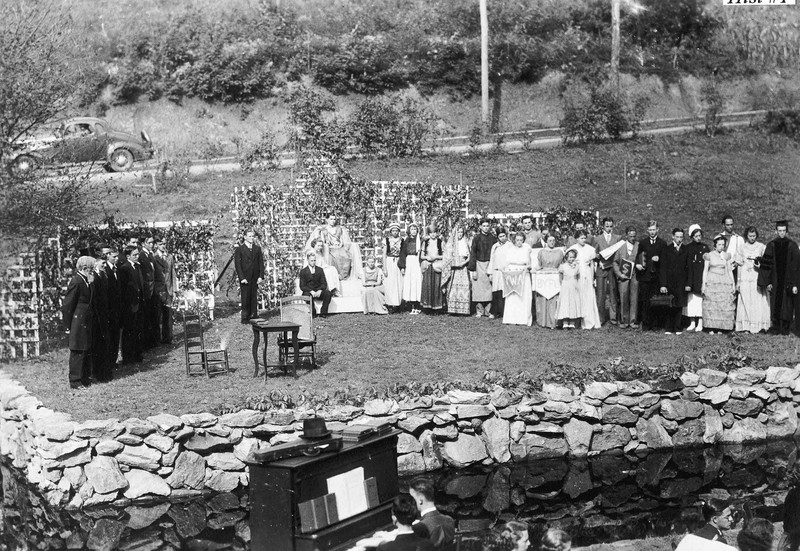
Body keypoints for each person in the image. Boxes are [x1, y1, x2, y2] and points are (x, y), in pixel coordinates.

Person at [758, 220, 800, 335]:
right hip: (775, 280)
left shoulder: (792, 245)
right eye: (779, 231)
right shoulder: (771, 245)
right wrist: (767, 282)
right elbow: (767, 264)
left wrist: (794, 283)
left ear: (787, 231)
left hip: (787, 281)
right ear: (776, 231)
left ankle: (785, 327)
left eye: (784, 231)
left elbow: (796, 266)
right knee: (776, 301)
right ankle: (776, 326)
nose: (781, 233)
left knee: (787, 303)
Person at [62, 256, 96, 390]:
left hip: (85, 320)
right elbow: (68, 305)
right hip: (78, 320)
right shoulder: (76, 281)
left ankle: (84, 378)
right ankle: (75, 381)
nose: (92, 271)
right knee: (77, 350)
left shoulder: (86, 280)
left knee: (85, 348)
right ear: (84, 268)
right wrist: (68, 325)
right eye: (90, 268)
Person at [735, 227, 771, 333]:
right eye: (750, 236)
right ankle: (746, 326)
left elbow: (766, 263)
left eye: (754, 236)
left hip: (756, 276)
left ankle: (758, 326)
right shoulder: (741, 247)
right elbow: (739, 265)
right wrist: (738, 281)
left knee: (757, 299)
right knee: (746, 299)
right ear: (746, 236)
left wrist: (760, 264)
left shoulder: (761, 247)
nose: (752, 238)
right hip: (745, 276)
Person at [307, 213, 361, 281]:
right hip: (329, 249)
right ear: (327, 220)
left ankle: (343, 275)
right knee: (335, 256)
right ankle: (336, 275)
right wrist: (329, 245)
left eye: (334, 219)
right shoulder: (324, 229)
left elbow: (341, 240)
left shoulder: (339, 229)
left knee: (346, 256)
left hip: (339, 247)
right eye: (331, 219)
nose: (333, 221)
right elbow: (323, 241)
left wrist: (340, 244)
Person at [408, 477, 455, 551]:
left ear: (420, 500)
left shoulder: (419, 527)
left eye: (411, 498)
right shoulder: (450, 520)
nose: (410, 502)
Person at [590, 217, 621, 325]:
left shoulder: (617, 238)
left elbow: (619, 254)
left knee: (613, 292)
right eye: (607, 226)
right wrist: (597, 256)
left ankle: (613, 318)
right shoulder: (597, 238)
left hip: (612, 268)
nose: (609, 228)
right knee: (600, 294)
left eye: (610, 226)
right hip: (601, 267)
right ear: (603, 226)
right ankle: (600, 318)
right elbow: (593, 254)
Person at [567, 230, 601, 329]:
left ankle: (588, 321)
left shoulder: (590, 249)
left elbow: (592, 265)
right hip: (576, 274)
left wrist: (592, 278)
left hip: (586, 275)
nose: (583, 240)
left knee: (587, 296)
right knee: (577, 296)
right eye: (581, 238)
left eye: (584, 238)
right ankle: (576, 321)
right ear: (576, 239)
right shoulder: (572, 249)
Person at [637, 220, 667, 331]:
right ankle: (646, 323)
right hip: (645, 277)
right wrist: (638, 264)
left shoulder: (662, 243)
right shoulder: (643, 242)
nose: (652, 232)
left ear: (657, 230)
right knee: (645, 301)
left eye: (654, 230)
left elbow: (665, 263)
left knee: (656, 301)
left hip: (656, 277)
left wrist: (659, 260)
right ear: (647, 230)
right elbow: (638, 257)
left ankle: (655, 324)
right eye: (650, 230)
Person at [703, 235, 736, 333]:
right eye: (719, 244)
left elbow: (730, 271)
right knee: (712, 304)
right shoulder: (709, 255)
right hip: (712, 279)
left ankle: (721, 327)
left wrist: (733, 284)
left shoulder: (726, 256)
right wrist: (704, 284)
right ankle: (711, 327)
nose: (721, 246)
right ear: (715, 245)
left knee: (722, 304)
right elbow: (705, 271)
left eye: (723, 244)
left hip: (723, 279)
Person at [659, 228, 689, 334]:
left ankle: (677, 327)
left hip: (681, 282)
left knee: (679, 305)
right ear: (672, 236)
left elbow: (688, 267)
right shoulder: (666, 249)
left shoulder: (686, 249)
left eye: (681, 237)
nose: (679, 239)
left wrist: (688, 283)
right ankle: (668, 327)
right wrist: (663, 284)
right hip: (669, 282)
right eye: (677, 237)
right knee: (669, 304)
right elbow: (662, 268)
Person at [118, 246, 143, 364]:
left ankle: (137, 354)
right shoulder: (124, 269)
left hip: (137, 304)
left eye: (138, 254)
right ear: (128, 257)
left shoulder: (137, 267)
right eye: (134, 255)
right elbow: (123, 290)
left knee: (137, 330)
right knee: (128, 332)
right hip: (129, 305)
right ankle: (128, 357)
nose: (137, 257)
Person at [502, 233, 533, 326]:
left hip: (523, 274)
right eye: (517, 240)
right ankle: (511, 318)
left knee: (524, 296)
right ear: (514, 240)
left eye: (521, 240)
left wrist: (527, 267)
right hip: (512, 275)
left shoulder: (527, 249)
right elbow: (506, 263)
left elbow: (530, 263)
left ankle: (523, 319)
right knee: (513, 295)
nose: (519, 242)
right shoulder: (510, 250)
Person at [234, 229, 264, 323]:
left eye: (253, 236)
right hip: (245, 277)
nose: (252, 238)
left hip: (254, 277)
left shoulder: (257, 249)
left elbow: (260, 263)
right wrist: (242, 278)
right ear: (245, 237)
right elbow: (238, 265)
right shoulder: (240, 249)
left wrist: (260, 276)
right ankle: (245, 317)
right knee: (245, 297)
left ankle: (253, 315)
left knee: (253, 296)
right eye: (250, 236)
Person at [613, 227, 640, 329]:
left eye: (634, 236)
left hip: (635, 275)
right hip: (623, 275)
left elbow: (642, 258)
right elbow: (615, 262)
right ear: (626, 236)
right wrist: (619, 274)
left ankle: (633, 321)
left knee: (634, 297)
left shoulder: (638, 245)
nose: (633, 238)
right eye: (630, 236)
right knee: (623, 296)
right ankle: (624, 321)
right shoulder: (621, 247)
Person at [535, 235, 564, 329]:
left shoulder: (559, 252)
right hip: (543, 278)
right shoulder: (541, 252)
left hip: (555, 276)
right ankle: (542, 321)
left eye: (554, 240)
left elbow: (561, 264)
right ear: (546, 241)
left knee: (554, 299)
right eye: (550, 240)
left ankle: (553, 321)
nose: (552, 242)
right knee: (543, 298)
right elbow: (539, 264)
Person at [684, 224, 710, 332]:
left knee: (700, 301)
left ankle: (700, 321)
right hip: (691, 276)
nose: (698, 238)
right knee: (692, 301)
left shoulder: (705, 248)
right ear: (692, 236)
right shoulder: (688, 248)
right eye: (696, 236)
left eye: (700, 235)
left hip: (701, 276)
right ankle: (692, 322)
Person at [441, 225, 471, 316]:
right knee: (453, 287)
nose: (460, 234)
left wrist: (464, 263)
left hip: (463, 267)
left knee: (464, 286)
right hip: (453, 269)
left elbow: (469, 256)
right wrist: (453, 263)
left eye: (462, 232)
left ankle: (463, 309)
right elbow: (447, 257)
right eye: (458, 232)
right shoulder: (451, 244)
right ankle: (452, 309)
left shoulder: (465, 243)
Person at [469, 220, 497, 318]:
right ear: (480, 227)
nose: (485, 227)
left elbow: (495, 254)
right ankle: (479, 311)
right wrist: (473, 270)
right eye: (483, 226)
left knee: (489, 288)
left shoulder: (493, 239)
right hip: (478, 264)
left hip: (489, 264)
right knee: (479, 289)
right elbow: (472, 253)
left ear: (489, 227)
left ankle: (488, 310)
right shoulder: (476, 238)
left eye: (487, 226)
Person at [90, 257, 111, 382]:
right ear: (96, 263)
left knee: (104, 344)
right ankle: (97, 372)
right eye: (103, 263)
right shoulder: (93, 277)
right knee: (97, 344)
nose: (105, 265)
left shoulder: (104, 275)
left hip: (104, 314)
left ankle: (104, 371)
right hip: (96, 315)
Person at [153, 237, 177, 344]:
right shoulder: (153, 257)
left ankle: (168, 338)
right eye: (160, 243)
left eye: (164, 243)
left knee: (168, 315)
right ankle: (157, 339)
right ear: (156, 245)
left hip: (168, 290)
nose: (163, 245)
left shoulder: (169, 257)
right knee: (157, 315)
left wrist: (175, 290)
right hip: (158, 290)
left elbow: (173, 273)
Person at [101, 245, 121, 367]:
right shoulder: (105, 270)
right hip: (109, 309)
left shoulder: (115, 269)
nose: (116, 259)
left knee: (115, 336)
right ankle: (108, 361)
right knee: (109, 336)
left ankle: (113, 360)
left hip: (116, 309)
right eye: (114, 256)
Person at [139, 235, 159, 349]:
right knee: (146, 318)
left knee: (152, 316)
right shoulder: (141, 256)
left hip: (152, 290)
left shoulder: (150, 256)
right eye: (149, 242)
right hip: (147, 291)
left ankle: (151, 342)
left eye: (152, 242)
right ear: (144, 244)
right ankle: (146, 343)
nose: (152, 245)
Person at [399, 222, 423, 314]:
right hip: (409, 262)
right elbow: (403, 254)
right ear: (409, 231)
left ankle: (418, 305)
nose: (413, 231)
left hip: (417, 262)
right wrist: (402, 267)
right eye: (412, 229)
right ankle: (411, 305)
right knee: (410, 283)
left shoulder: (420, 240)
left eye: (415, 229)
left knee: (417, 282)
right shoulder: (407, 241)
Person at [487, 226, 511, 319]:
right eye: (500, 236)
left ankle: (504, 311)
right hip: (496, 271)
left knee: (504, 291)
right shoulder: (495, 246)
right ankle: (494, 312)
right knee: (496, 292)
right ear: (497, 237)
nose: (502, 238)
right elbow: (492, 259)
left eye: (504, 236)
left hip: (505, 272)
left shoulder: (510, 245)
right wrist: (490, 273)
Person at [420, 223, 445, 312]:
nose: (433, 234)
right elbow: (422, 255)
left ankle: (437, 307)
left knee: (437, 285)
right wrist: (427, 258)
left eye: (434, 232)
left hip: (437, 265)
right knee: (428, 285)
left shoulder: (440, 242)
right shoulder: (425, 243)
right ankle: (427, 307)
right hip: (428, 266)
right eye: (431, 233)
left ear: (437, 233)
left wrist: (436, 257)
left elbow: (444, 256)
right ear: (428, 234)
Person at [299, 251, 332, 317]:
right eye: (311, 260)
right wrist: (311, 291)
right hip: (309, 291)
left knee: (328, 293)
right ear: (308, 260)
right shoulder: (303, 271)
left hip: (318, 291)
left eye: (314, 260)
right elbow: (302, 286)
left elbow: (324, 283)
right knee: (306, 295)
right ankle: (313, 313)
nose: (313, 262)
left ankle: (323, 313)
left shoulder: (320, 270)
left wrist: (320, 290)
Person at [383, 223, 404, 311]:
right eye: (393, 231)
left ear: (399, 231)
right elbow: (384, 254)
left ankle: (398, 304)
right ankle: (390, 304)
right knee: (390, 283)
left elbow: (403, 254)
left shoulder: (402, 240)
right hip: (389, 261)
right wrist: (384, 267)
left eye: (396, 230)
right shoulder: (387, 240)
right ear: (391, 231)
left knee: (398, 283)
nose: (395, 232)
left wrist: (403, 266)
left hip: (398, 261)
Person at [557, 249, 581, 329]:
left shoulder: (576, 266)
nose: (572, 259)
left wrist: (577, 285)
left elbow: (577, 276)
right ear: (566, 257)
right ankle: (565, 322)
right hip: (565, 286)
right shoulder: (563, 266)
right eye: (570, 257)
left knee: (573, 302)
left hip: (573, 286)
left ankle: (572, 322)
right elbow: (560, 277)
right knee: (565, 303)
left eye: (573, 257)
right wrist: (562, 285)